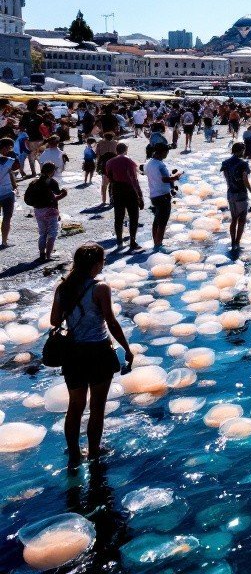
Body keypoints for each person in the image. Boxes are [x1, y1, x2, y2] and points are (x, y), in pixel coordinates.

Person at [50, 242, 133, 467]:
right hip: (98, 351)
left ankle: (75, 454)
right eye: (102, 261)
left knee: (75, 405)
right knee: (97, 406)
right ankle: (94, 452)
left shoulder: (63, 287)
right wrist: (126, 348)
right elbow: (111, 322)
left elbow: (54, 321)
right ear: (96, 264)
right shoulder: (100, 288)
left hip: (73, 353)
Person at [104, 143, 144, 250]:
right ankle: (132, 241)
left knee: (119, 217)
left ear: (116, 150)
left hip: (117, 189)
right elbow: (134, 180)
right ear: (126, 150)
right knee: (133, 216)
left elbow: (110, 178)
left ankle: (119, 241)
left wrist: (112, 192)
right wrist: (140, 196)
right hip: (129, 189)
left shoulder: (109, 162)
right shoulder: (129, 161)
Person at [25, 161, 66, 261]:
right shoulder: (51, 182)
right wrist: (64, 193)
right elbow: (56, 195)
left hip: (38, 210)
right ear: (51, 171)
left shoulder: (34, 182)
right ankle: (48, 255)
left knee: (42, 233)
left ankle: (42, 254)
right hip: (50, 210)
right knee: (52, 233)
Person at [221, 142, 251, 250]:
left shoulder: (225, 163)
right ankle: (237, 243)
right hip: (241, 193)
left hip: (231, 193)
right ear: (241, 150)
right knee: (242, 220)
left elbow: (227, 178)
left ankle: (233, 243)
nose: (244, 152)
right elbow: (245, 180)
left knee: (234, 219)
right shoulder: (243, 164)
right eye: (243, 150)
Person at [145, 143, 180, 250]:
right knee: (163, 222)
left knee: (156, 220)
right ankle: (158, 244)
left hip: (154, 195)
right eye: (166, 152)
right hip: (163, 195)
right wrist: (176, 176)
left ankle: (155, 241)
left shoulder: (148, 163)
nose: (166, 154)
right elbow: (165, 179)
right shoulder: (160, 165)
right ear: (163, 152)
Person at [0, 137, 19, 248]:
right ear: (5, 147)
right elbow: (16, 166)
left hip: (6, 190)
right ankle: (4, 242)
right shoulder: (8, 160)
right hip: (6, 192)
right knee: (7, 217)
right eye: (9, 148)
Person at [19, 98, 45, 176]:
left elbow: (21, 127)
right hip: (39, 138)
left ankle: (33, 172)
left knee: (31, 156)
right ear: (36, 107)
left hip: (30, 139)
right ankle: (42, 171)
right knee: (40, 155)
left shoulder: (25, 115)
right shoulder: (40, 117)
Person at [95, 132, 118, 206]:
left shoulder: (100, 143)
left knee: (104, 184)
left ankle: (104, 200)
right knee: (113, 183)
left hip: (105, 164)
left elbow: (97, 155)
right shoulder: (116, 143)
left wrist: (98, 166)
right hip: (114, 165)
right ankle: (112, 199)